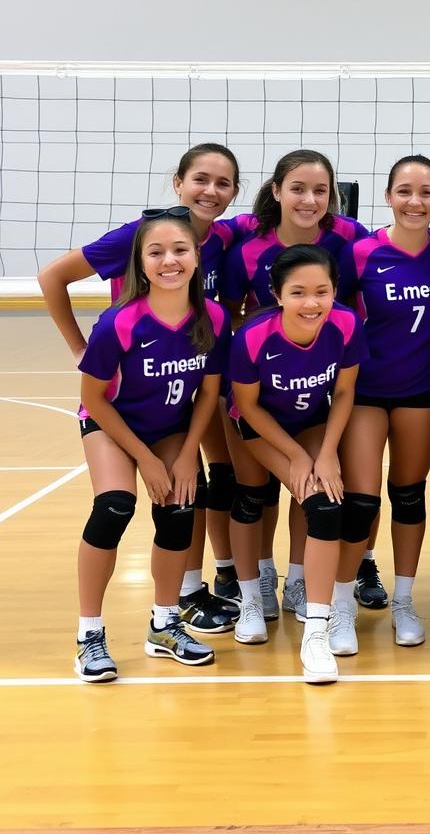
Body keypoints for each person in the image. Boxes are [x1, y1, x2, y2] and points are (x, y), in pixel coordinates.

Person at [39, 143, 243, 635]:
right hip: (117, 402)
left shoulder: (218, 247)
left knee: (188, 496)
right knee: (115, 507)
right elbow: (52, 277)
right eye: (200, 179)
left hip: (177, 400)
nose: (210, 191)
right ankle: (90, 632)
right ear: (177, 183)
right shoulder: (135, 245)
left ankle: (176, 610)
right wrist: (81, 351)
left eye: (223, 183)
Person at [75, 210, 230, 681]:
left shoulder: (213, 317)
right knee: (115, 507)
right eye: (156, 252)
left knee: (182, 504)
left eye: (180, 250)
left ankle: (164, 625)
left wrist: (186, 457)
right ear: (139, 264)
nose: (169, 260)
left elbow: (208, 392)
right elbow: (92, 400)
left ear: (197, 258)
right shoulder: (119, 323)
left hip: (172, 430)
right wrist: (145, 460)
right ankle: (89, 633)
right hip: (112, 424)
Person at [220, 149, 368, 625]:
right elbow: (225, 316)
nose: (308, 199)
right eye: (297, 188)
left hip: (311, 399)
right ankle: (255, 583)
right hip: (253, 396)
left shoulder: (346, 239)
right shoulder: (245, 244)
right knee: (252, 494)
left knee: (317, 488)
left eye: (320, 191)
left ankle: (301, 581)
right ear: (276, 191)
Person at [228, 245, 367, 682]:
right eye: (299, 293)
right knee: (252, 499)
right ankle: (251, 596)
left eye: (321, 292)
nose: (311, 303)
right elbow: (248, 408)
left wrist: (325, 454)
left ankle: (316, 631)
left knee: (325, 506)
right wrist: (298, 457)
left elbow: (344, 393)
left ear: (334, 291)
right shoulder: (252, 336)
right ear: (277, 293)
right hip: (260, 427)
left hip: (310, 421)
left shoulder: (345, 323)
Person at [334, 155, 430, 650]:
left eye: (426, 192)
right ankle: (340, 604)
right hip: (365, 391)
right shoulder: (359, 254)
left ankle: (403, 599)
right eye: (404, 191)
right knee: (360, 502)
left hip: (422, 387)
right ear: (387, 197)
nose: (415, 201)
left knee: (409, 493)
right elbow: (331, 314)